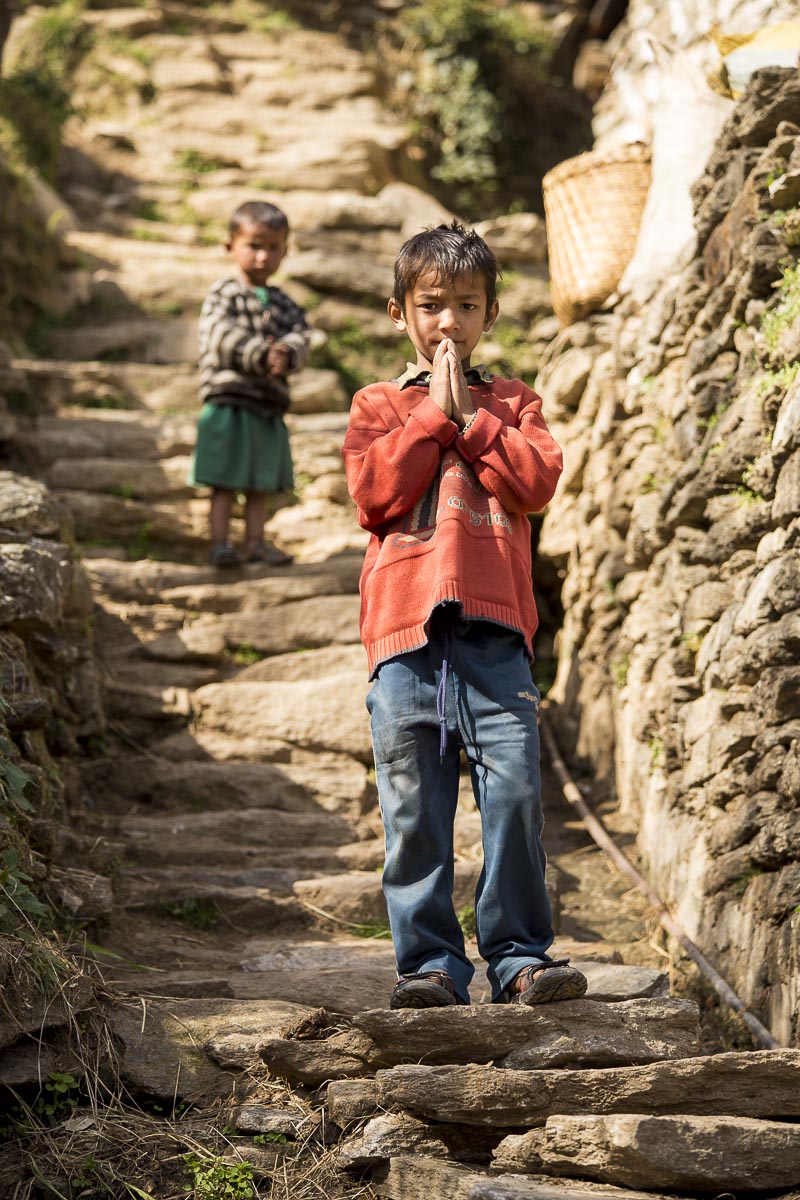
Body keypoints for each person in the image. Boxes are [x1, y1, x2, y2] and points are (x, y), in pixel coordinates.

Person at [342, 222, 588, 1009]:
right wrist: (431, 417)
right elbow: (375, 495)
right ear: (398, 312)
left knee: (514, 794)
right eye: (432, 305)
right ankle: (429, 966)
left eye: (468, 306)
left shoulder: (516, 404)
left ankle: (519, 956)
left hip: (495, 632)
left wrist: (474, 420)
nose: (449, 322)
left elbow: (535, 483)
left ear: (490, 316)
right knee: (414, 807)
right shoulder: (378, 405)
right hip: (405, 634)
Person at [191, 200, 310, 567]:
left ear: (285, 252)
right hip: (231, 401)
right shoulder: (223, 294)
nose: (263, 256)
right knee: (224, 479)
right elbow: (218, 334)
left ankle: (256, 542)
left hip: (267, 406)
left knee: (260, 481)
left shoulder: (285, 302)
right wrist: (259, 354)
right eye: (254, 245)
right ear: (231, 246)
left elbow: (302, 335)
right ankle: (220, 543)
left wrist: (287, 354)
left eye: (273, 248)